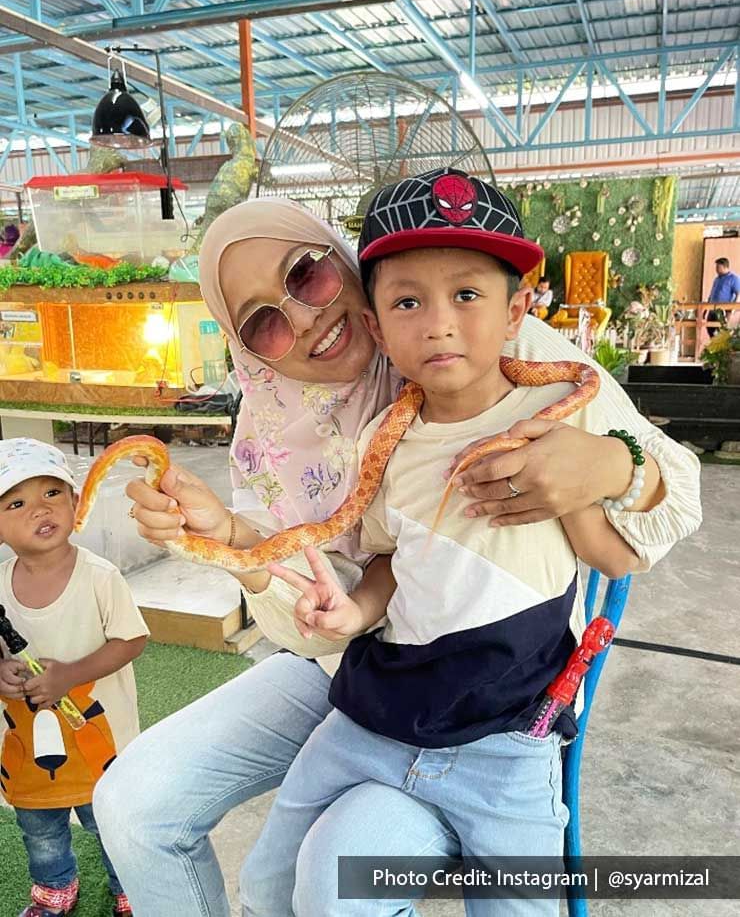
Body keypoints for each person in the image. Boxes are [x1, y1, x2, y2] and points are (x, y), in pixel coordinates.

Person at [92, 196, 702, 917]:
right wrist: (236, 540)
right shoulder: (266, 430)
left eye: (307, 276)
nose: (303, 318)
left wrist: (606, 468)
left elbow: (675, 499)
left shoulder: (498, 347)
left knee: (338, 875)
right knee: (130, 803)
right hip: (350, 674)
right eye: (262, 323)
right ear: (246, 348)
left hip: (483, 698)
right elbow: (314, 624)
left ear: (346, 266)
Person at [239, 169, 655, 917]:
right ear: (376, 324)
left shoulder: (558, 413)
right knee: (268, 886)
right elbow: (391, 562)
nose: (438, 323)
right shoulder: (385, 441)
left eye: (468, 294)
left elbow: (617, 560)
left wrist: (590, 476)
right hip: (369, 719)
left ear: (517, 309)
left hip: (505, 746)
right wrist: (352, 614)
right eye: (407, 301)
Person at [0, 438, 149, 917]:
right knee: (39, 824)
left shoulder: (100, 577)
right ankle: (54, 887)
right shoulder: (1, 582)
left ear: (75, 503)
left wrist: (71, 676)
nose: (39, 510)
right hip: (26, 747)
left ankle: (129, 886)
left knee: (110, 820)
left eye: (52, 493)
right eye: (16, 502)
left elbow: (131, 641)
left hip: (100, 743)